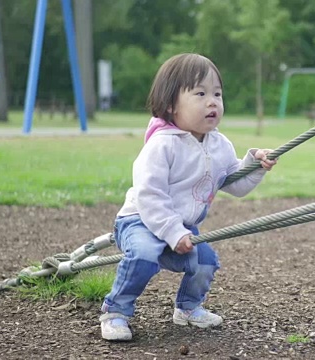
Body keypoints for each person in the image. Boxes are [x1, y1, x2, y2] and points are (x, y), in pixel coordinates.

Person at [99, 53, 277, 341]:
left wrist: (255, 164)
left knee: (205, 261)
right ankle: (116, 311)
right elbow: (149, 196)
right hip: (140, 221)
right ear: (171, 104)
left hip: (181, 228)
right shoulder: (162, 145)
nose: (212, 102)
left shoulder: (219, 143)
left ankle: (188, 308)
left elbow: (234, 183)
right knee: (144, 256)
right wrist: (172, 231)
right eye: (200, 93)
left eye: (217, 94)